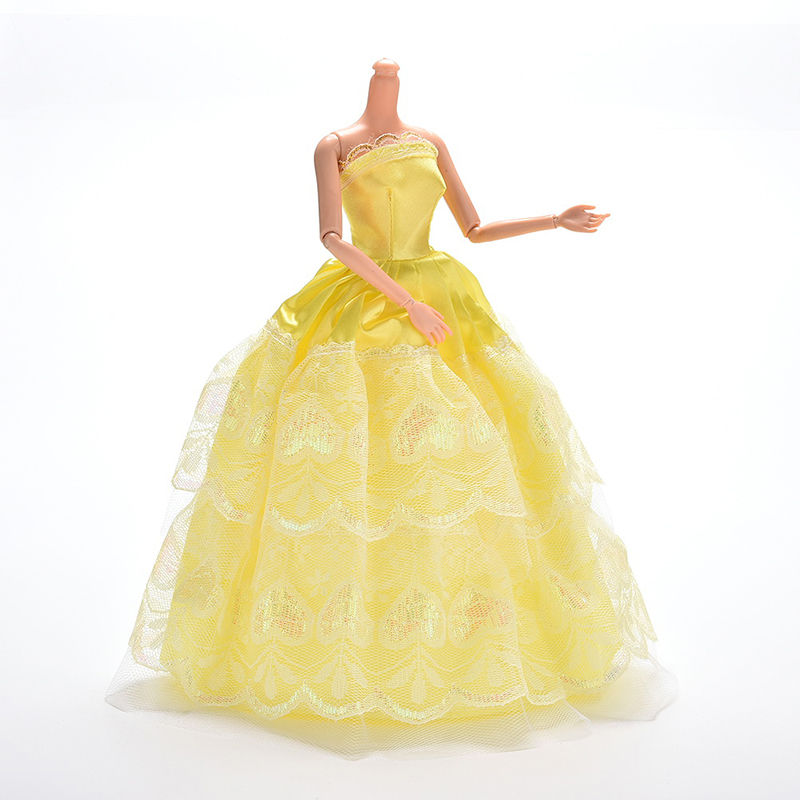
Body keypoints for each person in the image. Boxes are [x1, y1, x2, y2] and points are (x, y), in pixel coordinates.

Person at [105, 58, 678, 761]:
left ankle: (473, 642)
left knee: (469, 454)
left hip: (447, 296)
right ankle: (335, 649)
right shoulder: (334, 145)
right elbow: (332, 238)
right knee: (355, 449)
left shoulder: (430, 140)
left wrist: (553, 221)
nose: (389, 80)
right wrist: (404, 301)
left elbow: (473, 227)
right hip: (370, 296)